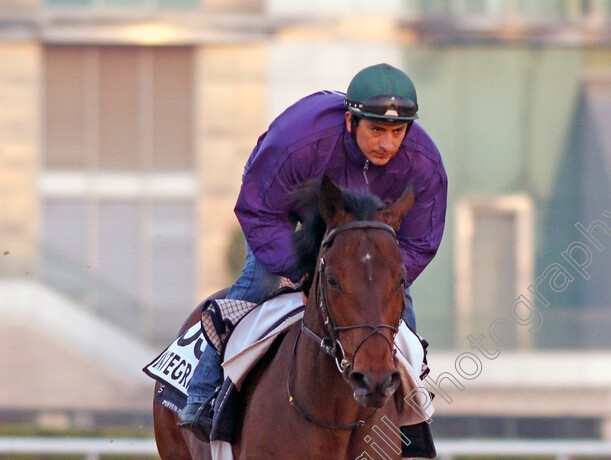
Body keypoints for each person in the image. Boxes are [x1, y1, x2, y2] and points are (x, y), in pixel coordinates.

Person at [178, 62, 447, 440]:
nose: (388, 144)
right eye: (377, 130)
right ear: (351, 122)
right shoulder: (300, 140)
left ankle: (408, 423)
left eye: (398, 132)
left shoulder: (424, 165)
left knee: (401, 316)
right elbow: (259, 209)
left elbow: (419, 243)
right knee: (258, 283)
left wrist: (377, 282)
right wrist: (302, 272)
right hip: (290, 219)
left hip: (368, 244)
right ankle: (204, 393)